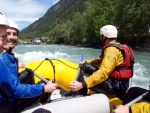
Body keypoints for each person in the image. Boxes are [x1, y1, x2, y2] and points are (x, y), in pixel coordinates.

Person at [0, 12, 57, 113]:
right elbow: (14, 90)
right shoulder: (2, 57)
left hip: (7, 99)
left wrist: (16, 63)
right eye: (5, 36)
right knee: (46, 83)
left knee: (28, 72)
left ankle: (34, 100)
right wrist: (43, 88)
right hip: (8, 106)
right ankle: (38, 101)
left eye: (15, 34)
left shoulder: (8, 56)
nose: (11, 38)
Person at [70, 25, 135, 97]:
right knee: (85, 66)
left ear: (104, 36)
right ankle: (79, 93)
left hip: (116, 88)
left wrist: (82, 84)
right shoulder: (116, 47)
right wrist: (86, 63)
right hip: (118, 83)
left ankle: (77, 96)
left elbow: (103, 73)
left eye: (101, 36)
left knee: (83, 77)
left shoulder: (112, 50)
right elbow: (101, 61)